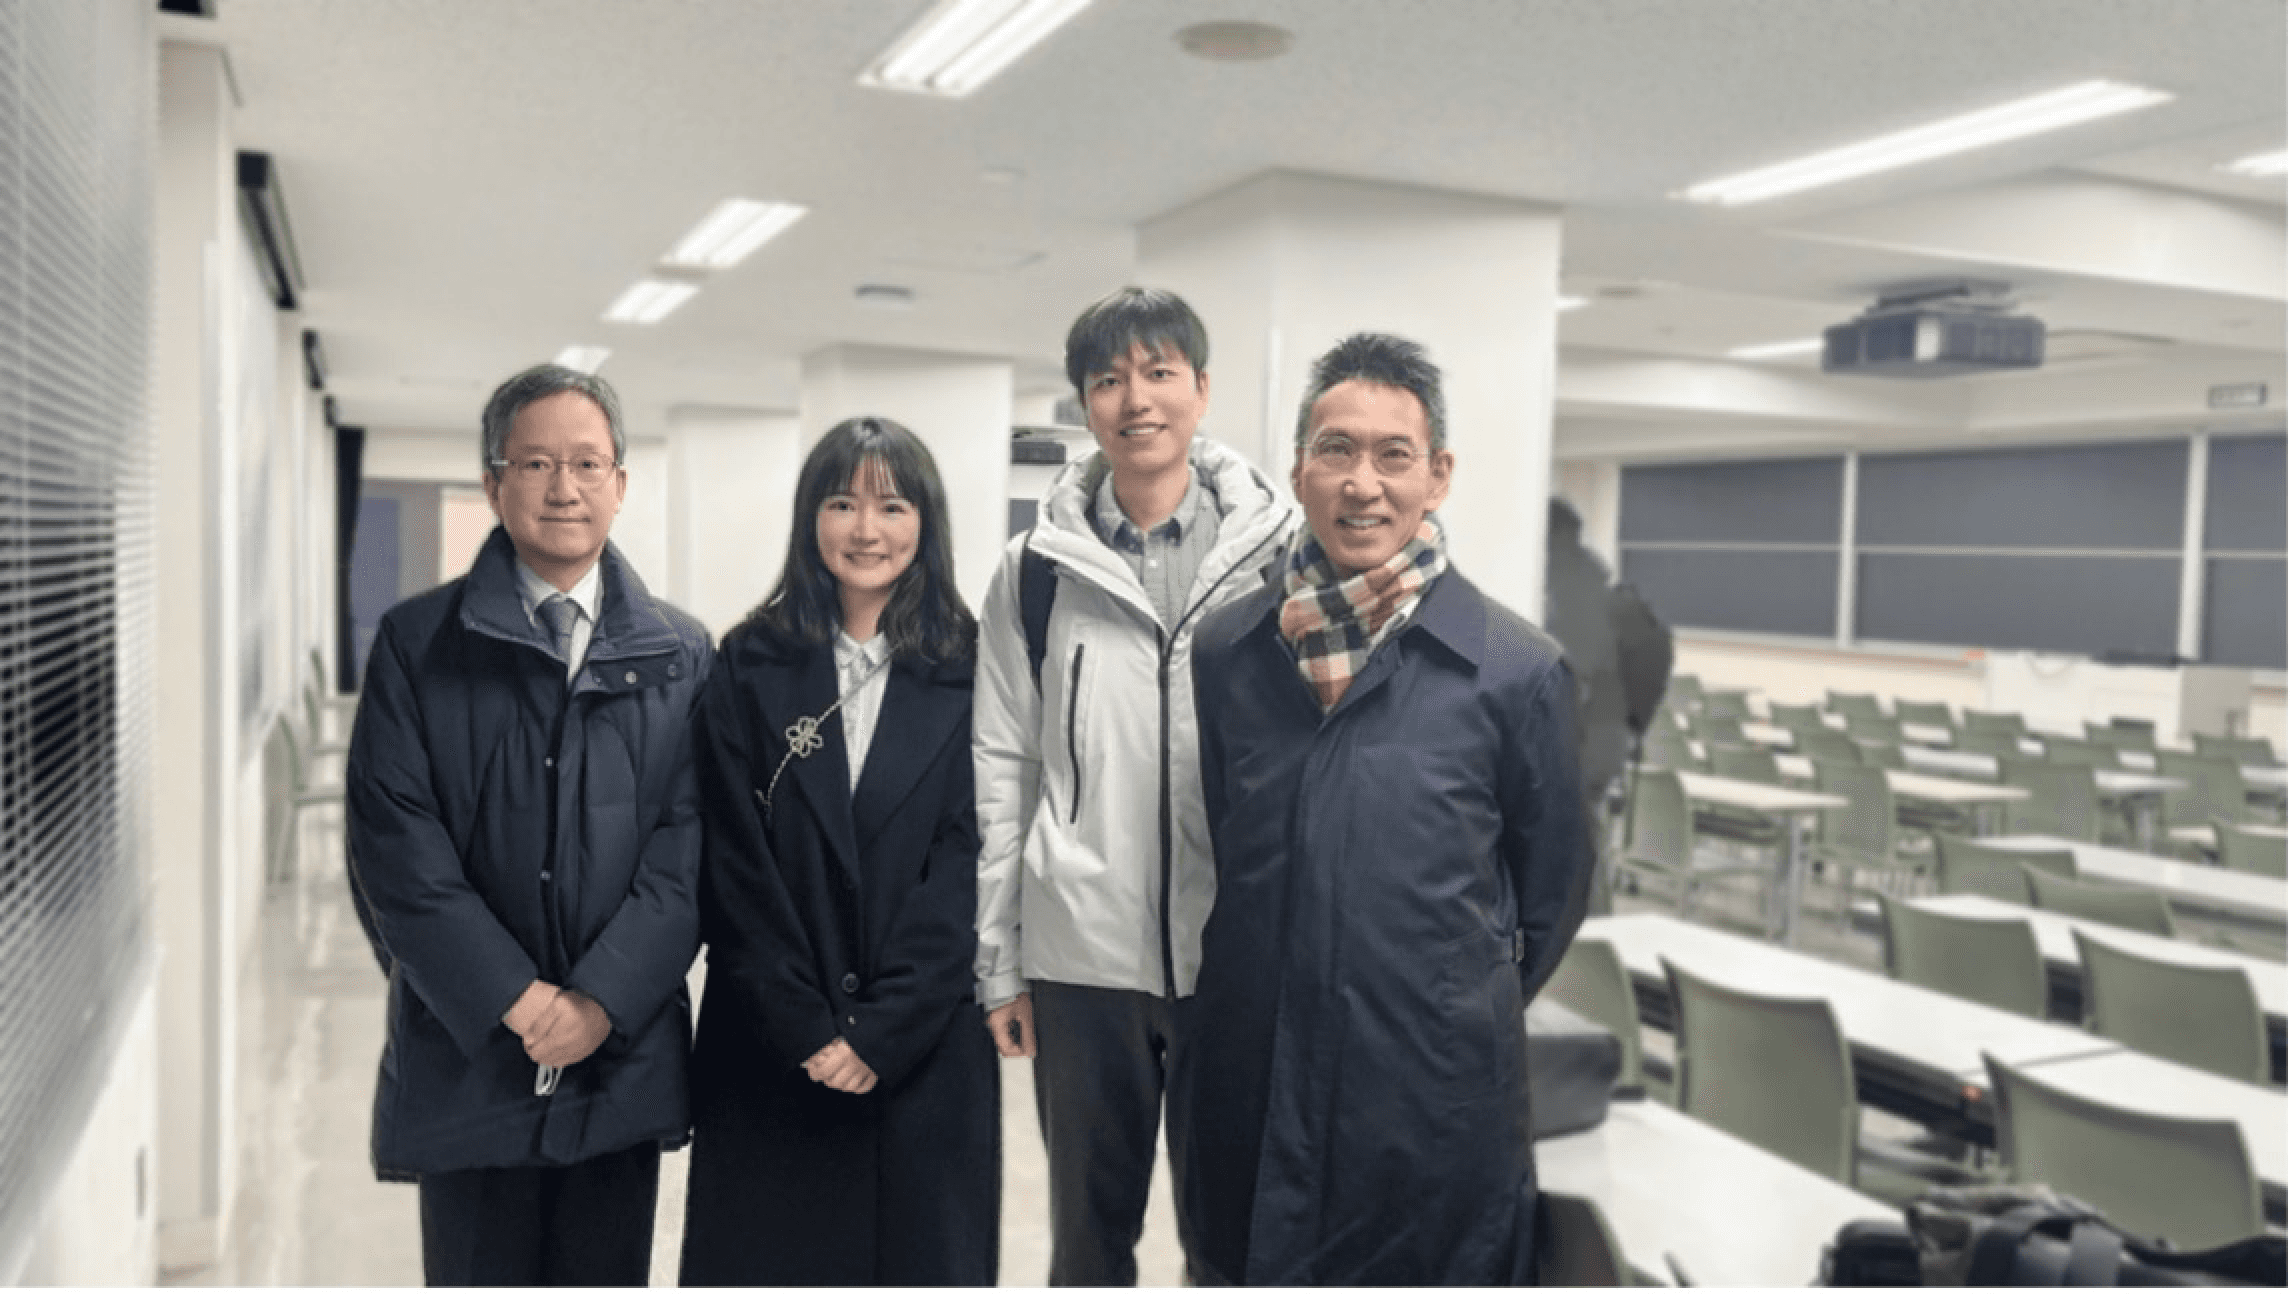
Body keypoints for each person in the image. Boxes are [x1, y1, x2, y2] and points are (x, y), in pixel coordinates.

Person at [1178, 332, 1593, 1285]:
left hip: (1427, 1094)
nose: (1361, 482)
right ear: (1298, 470)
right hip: (1253, 1066)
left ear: (1437, 476)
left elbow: (1549, 896)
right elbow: (1232, 837)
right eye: (1336, 450)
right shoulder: (1231, 649)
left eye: (1392, 455)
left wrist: (1433, 1002)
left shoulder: (1513, 669)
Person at [344, 363, 712, 1286]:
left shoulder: (682, 654)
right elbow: (396, 851)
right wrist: (515, 997)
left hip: (618, 1057)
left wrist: (598, 1002)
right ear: (492, 481)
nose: (564, 487)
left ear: (620, 486)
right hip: (469, 1055)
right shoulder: (416, 644)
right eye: (537, 462)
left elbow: (691, 852)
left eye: (588, 464)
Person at [974, 286, 1297, 1284]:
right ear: (1082, 405)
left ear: (1201, 389)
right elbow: (1001, 766)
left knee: (1230, 1240)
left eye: (1159, 373)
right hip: (1083, 960)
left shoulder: (1281, 561)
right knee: (1086, 1238)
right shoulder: (1034, 572)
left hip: (1235, 957)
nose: (1135, 398)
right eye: (1108, 380)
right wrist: (1001, 960)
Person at [679, 416, 998, 1286]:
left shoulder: (979, 666)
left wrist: (881, 1030)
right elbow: (730, 861)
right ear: (808, 519)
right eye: (842, 503)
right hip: (771, 1047)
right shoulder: (749, 660)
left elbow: (973, 857)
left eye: (893, 506)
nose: (867, 530)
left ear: (926, 523)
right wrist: (807, 1027)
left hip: (924, 1050)